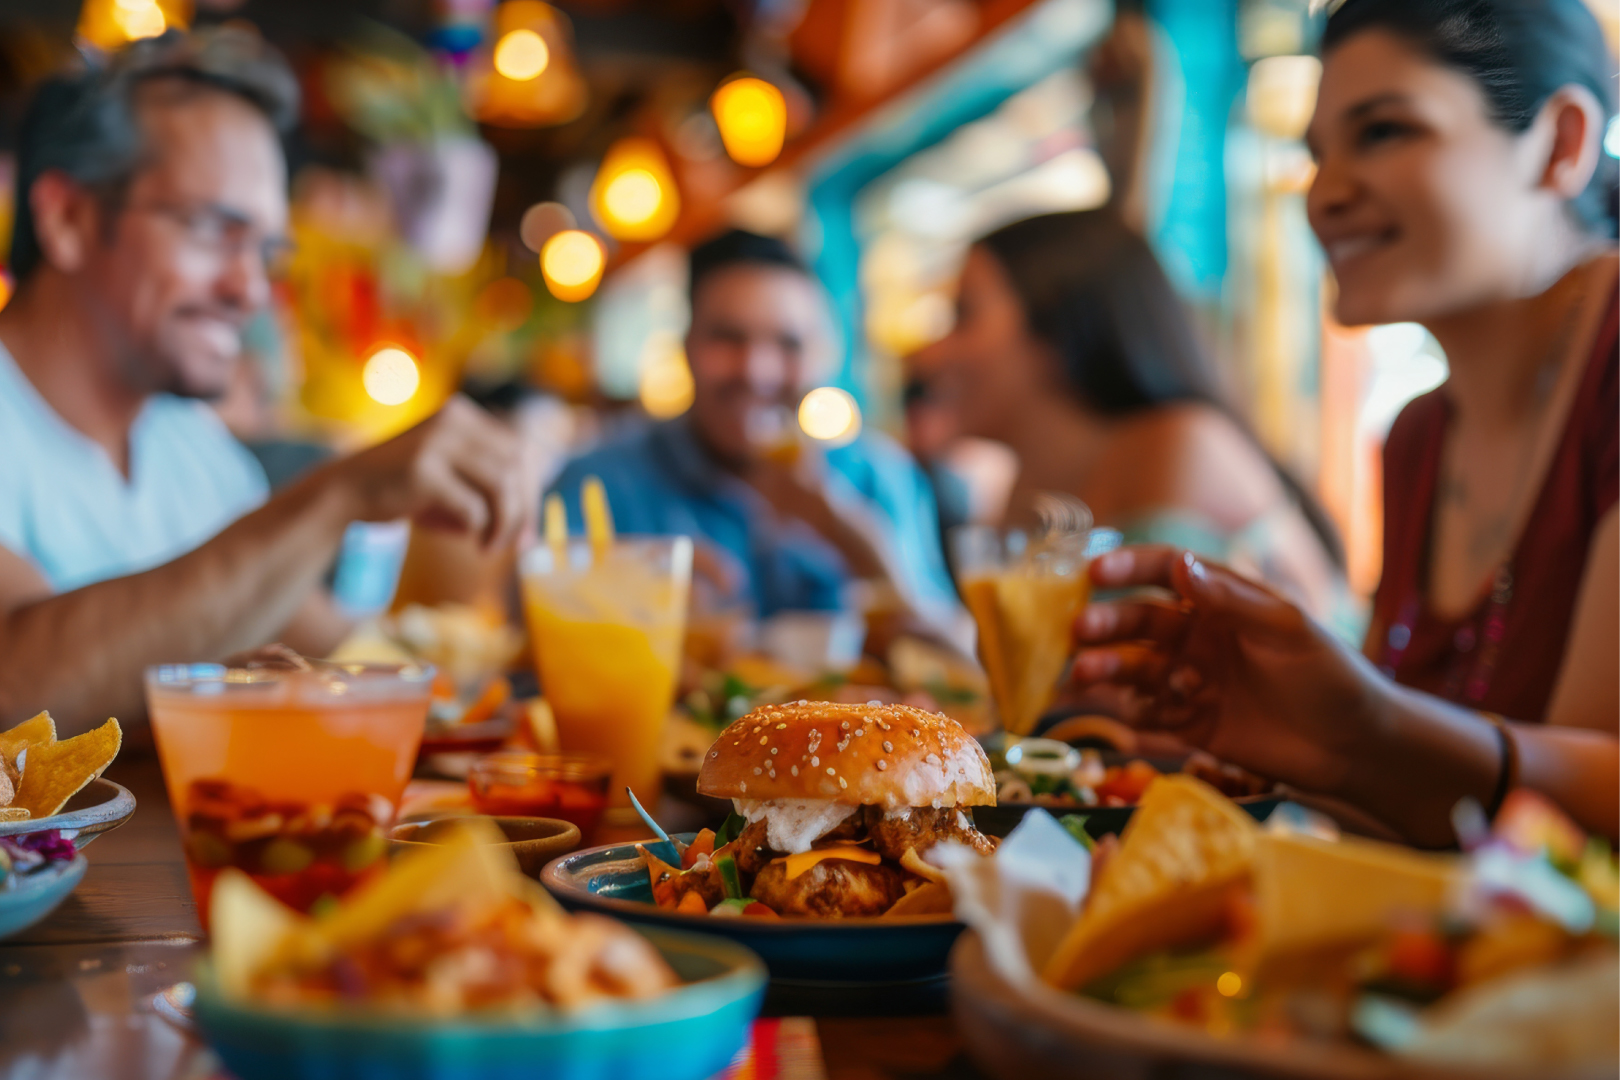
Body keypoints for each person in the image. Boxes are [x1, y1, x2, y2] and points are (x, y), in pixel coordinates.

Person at [1070, 0, 1618, 844]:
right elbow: (1414, 814)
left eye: (1386, 132)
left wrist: (1362, 729)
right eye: (1315, 155)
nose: (1323, 197)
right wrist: (1238, 739)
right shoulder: (1416, 441)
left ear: (1561, 143)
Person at [0, 29, 527, 736]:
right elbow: (17, 684)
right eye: (213, 229)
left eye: (266, 250)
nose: (251, 289)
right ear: (68, 217)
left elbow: (317, 645)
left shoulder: (189, 448)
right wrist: (341, 492)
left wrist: (518, 602)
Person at [912, 208, 1350, 628]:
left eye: (962, 316)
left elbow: (1141, 685)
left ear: (1054, 323)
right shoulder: (1026, 488)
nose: (928, 355)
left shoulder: (1179, 444)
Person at [549, 230, 961, 636]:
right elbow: (534, 632)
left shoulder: (881, 478)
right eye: (728, 338)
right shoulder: (601, 481)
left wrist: (858, 542)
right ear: (686, 346)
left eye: (788, 344)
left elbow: (961, 664)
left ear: (823, 357)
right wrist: (636, 591)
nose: (757, 371)